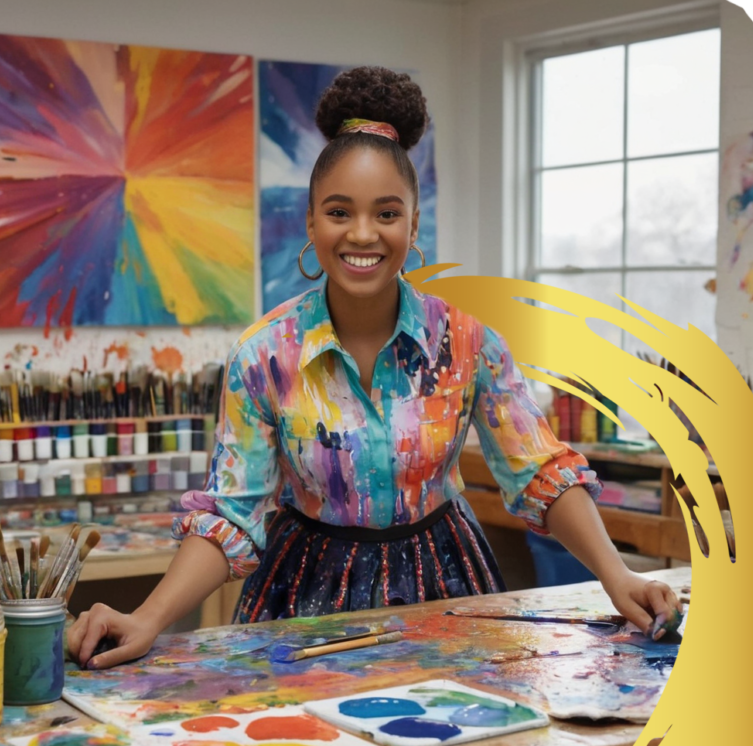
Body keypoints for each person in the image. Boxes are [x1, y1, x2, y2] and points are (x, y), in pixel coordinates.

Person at [68, 66, 682, 671]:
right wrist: (147, 617)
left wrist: (615, 573)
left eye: (387, 213)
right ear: (311, 221)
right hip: (305, 598)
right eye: (340, 212)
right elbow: (233, 511)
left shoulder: (469, 343)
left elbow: (539, 470)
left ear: (414, 223)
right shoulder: (264, 355)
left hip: (449, 589)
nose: (363, 233)